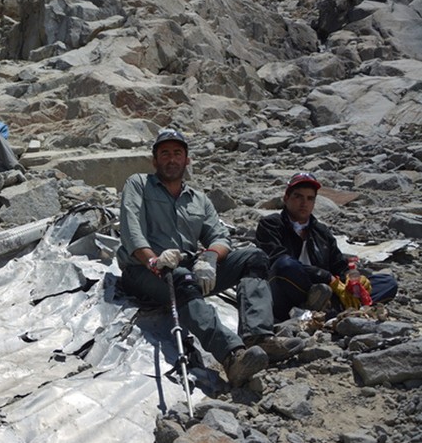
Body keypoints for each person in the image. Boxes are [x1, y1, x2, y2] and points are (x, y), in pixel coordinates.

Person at [118, 129, 304, 387]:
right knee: (182, 279)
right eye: (165, 154)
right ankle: (232, 357)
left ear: (187, 160)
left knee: (253, 258)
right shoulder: (138, 184)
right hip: (143, 270)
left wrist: (209, 257)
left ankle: (258, 337)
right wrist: (153, 261)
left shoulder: (199, 200)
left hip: (186, 268)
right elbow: (131, 230)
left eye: (177, 153)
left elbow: (220, 236)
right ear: (155, 160)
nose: (171, 159)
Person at [255, 172, 398, 321]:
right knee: (285, 265)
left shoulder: (321, 231)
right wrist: (327, 278)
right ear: (286, 198)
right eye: (298, 196)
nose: (304, 203)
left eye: (310, 198)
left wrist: (352, 279)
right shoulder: (271, 224)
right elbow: (275, 260)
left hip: (326, 291)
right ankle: (333, 308)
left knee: (387, 282)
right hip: (287, 290)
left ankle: (331, 308)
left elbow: (339, 265)